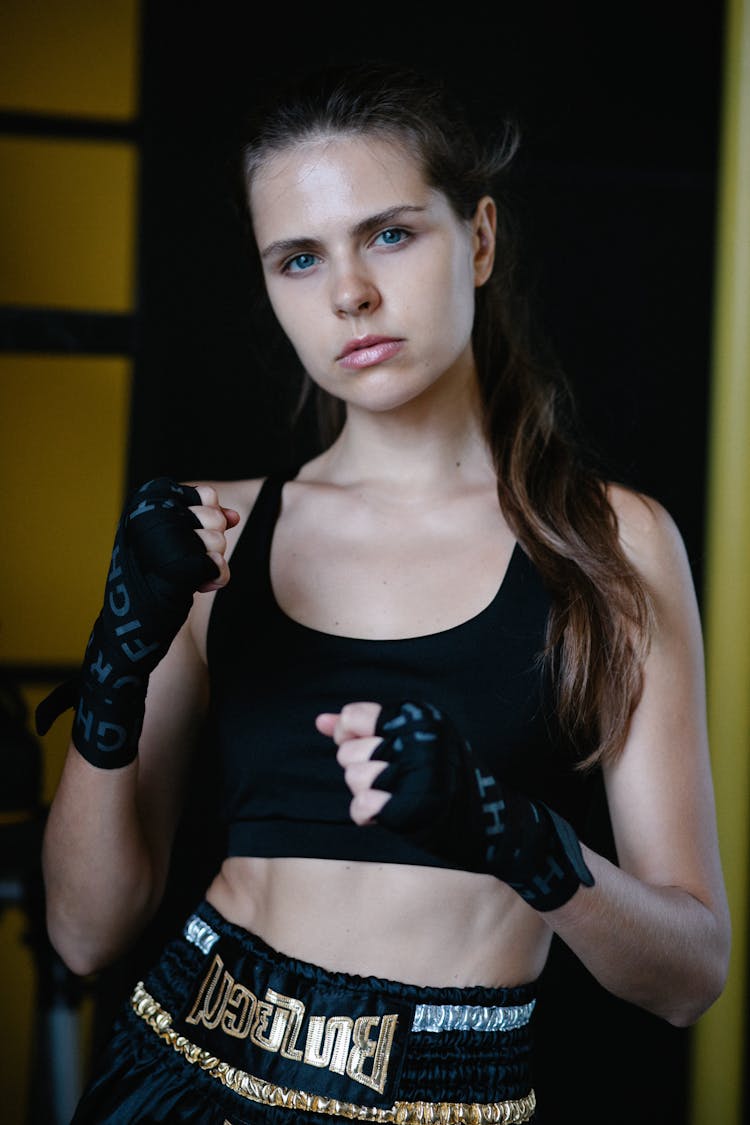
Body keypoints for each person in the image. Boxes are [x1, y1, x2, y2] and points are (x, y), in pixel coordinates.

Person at [37, 60, 730, 1124]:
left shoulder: (610, 543)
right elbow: (86, 934)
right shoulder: (209, 535)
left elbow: (688, 977)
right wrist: (119, 656)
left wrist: (518, 838)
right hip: (183, 1070)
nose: (349, 292)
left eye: (391, 234)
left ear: (482, 239)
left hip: (456, 1095)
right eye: (299, 258)